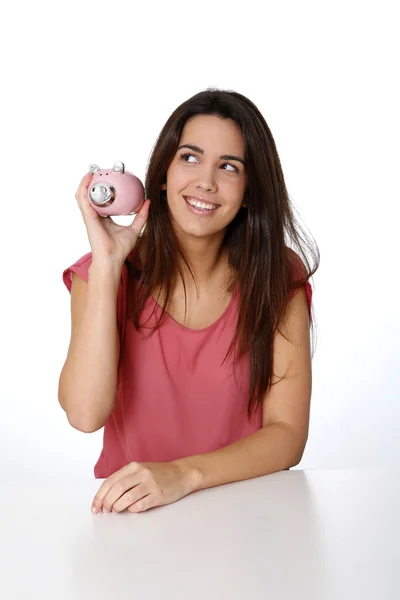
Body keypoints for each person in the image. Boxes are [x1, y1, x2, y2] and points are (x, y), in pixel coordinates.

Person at [58, 88, 320, 515]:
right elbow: (85, 414)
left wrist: (183, 475)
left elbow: (288, 433)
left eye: (229, 167)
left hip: (246, 514)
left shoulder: (276, 277)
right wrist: (108, 269)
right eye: (190, 158)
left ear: (251, 190)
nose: (206, 182)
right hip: (133, 520)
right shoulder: (102, 275)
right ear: (163, 174)